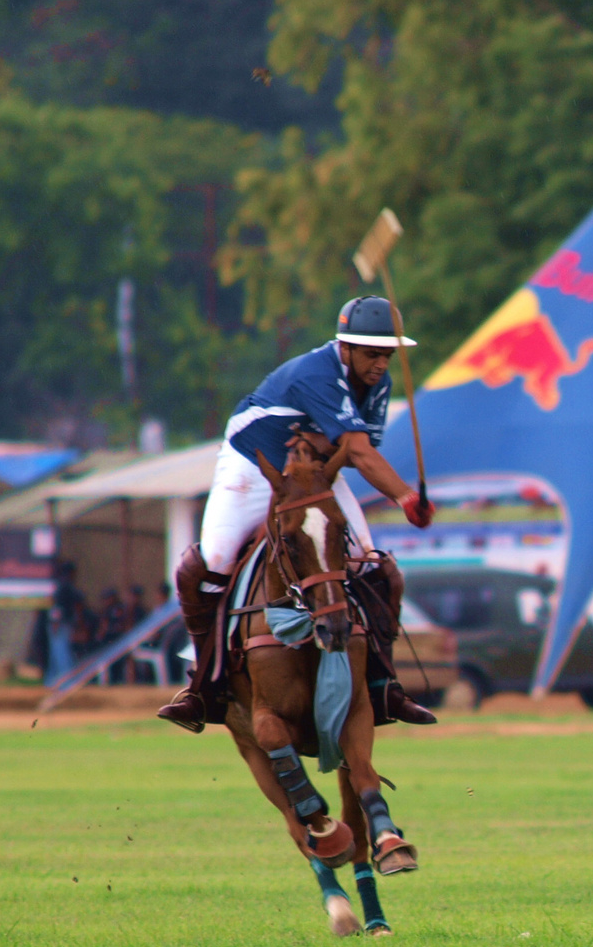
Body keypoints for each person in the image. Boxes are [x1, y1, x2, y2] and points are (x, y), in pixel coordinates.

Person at [158, 296, 438, 731]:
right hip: (253, 465)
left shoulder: (377, 381)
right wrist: (405, 498)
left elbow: (350, 450)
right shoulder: (317, 373)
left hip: (313, 475)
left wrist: (321, 445)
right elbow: (359, 452)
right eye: (371, 353)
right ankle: (203, 686)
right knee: (210, 562)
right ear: (343, 347)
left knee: (372, 565)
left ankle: (384, 683)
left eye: (386, 354)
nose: (380, 364)